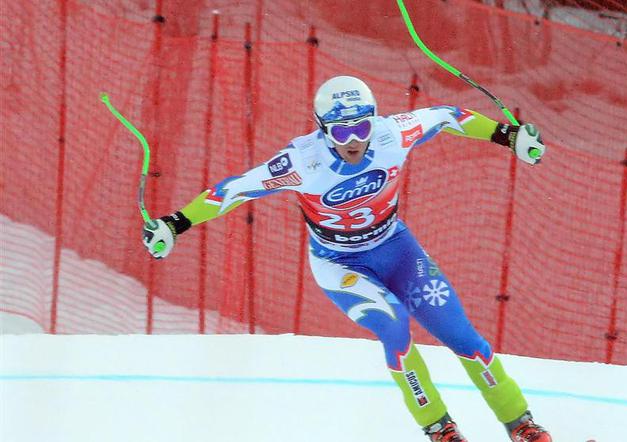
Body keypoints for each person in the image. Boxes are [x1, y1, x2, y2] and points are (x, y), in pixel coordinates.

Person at [143, 75, 552, 442]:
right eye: (342, 130)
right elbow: (233, 191)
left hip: (397, 249)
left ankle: (522, 425)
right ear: (324, 130)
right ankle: (440, 429)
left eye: (362, 126)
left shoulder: (393, 134)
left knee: (461, 335)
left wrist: (509, 136)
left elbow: (448, 116)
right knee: (395, 328)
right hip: (340, 266)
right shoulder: (303, 163)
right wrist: (176, 224)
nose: (354, 139)